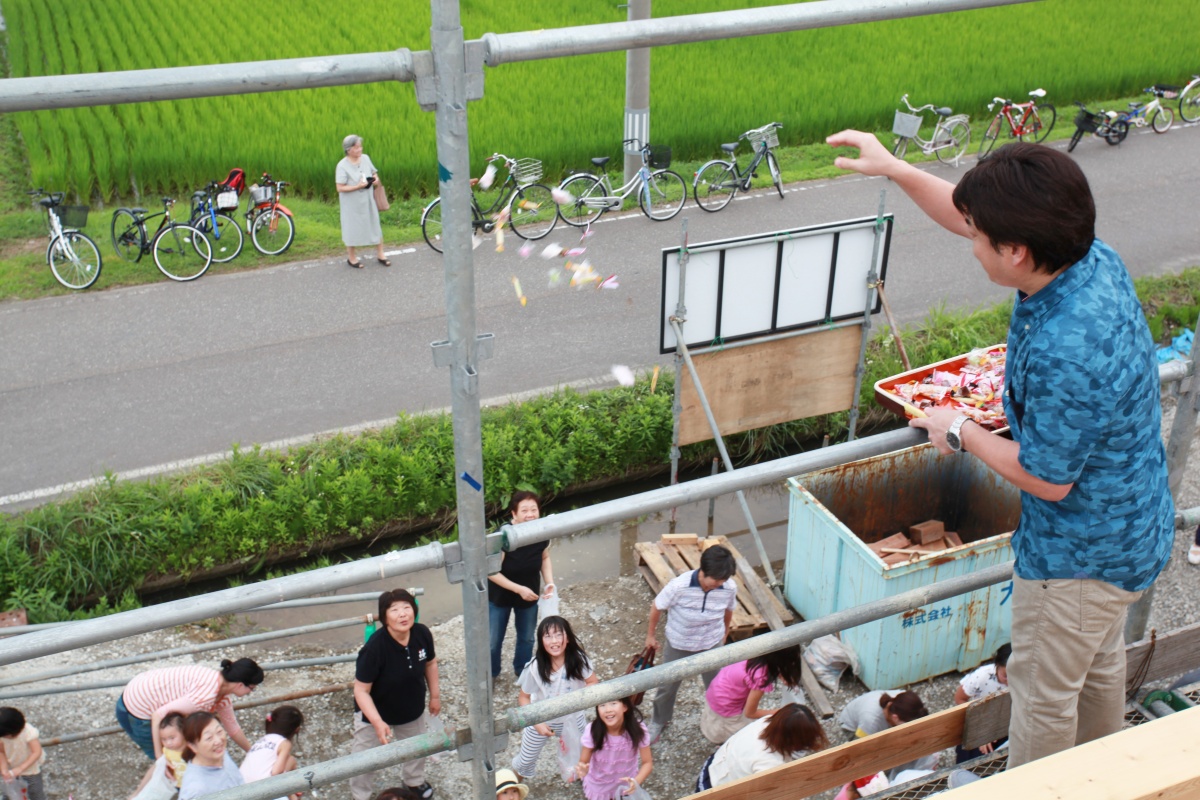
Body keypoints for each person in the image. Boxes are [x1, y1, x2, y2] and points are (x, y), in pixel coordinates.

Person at [827, 131, 1173, 769]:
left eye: (981, 239)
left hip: (1078, 561)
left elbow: (1048, 479)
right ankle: (1111, 779)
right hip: (1132, 530)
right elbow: (969, 214)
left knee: (1041, 710)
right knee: (1097, 677)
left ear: (1015, 252)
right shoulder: (1089, 256)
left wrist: (962, 430)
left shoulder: (1068, 345)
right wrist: (897, 167)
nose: (972, 244)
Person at [350, 589, 439, 800]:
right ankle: (360, 795)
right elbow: (361, 691)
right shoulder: (374, 648)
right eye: (395, 609)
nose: (403, 614)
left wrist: (435, 696)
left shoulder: (422, 633)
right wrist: (378, 721)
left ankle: (414, 782)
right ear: (384, 616)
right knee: (364, 758)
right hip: (374, 713)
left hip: (411, 706)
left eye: (407, 607)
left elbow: (430, 662)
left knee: (416, 748)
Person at [645, 544, 737, 744]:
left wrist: (725, 633)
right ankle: (659, 721)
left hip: (711, 642)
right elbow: (657, 606)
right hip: (679, 643)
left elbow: (729, 610)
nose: (720, 583)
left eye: (724, 579)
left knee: (718, 685)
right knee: (667, 687)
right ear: (704, 571)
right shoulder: (679, 586)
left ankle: (717, 722)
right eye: (717, 579)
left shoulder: (728, 587)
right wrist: (650, 636)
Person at [117, 658, 263, 761]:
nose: (250, 692)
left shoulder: (218, 688)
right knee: (171, 762)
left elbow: (233, 728)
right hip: (139, 711)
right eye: (251, 689)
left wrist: (252, 752)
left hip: (133, 693)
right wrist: (159, 755)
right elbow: (158, 715)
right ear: (239, 685)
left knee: (178, 755)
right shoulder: (205, 696)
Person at [512, 615, 598, 781]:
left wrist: (576, 700)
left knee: (582, 756)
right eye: (548, 636)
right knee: (526, 760)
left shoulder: (579, 660)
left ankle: (587, 784)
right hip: (542, 718)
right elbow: (524, 698)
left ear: (568, 638)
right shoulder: (536, 666)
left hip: (574, 718)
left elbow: (593, 682)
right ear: (541, 641)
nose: (554, 641)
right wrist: (536, 723)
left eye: (559, 634)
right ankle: (512, 788)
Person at [490, 492, 555, 682]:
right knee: (493, 642)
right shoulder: (503, 537)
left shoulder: (541, 533)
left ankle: (523, 671)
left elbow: (545, 557)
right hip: (499, 597)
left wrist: (549, 582)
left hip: (530, 594)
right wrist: (518, 589)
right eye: (524, 511)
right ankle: (491, 674)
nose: (530, 515)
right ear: (514, 514)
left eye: (534, 510)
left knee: (527, 638)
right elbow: (490, 572)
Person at [695, 703, 826, 791]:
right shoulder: (770, 764)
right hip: (715, 790)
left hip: (715, 765)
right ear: (794, 741)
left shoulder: (768, 721)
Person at [701, 645, 804, 744]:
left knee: (714, 718)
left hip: (717, 689)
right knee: (737, 731)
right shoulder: (760, 678)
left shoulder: (757, 655)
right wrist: (780, 712)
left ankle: (709, 730)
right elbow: (750, 713)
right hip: (725, 705)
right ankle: (721, 741)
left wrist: (783, 675)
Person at [576, 697, 652, 800]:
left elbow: (647, 763)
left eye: (613, 703)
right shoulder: (592, 731)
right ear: (597, 710)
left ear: (625, 706)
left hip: (626, 782)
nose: (608, 709)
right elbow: (583, 761)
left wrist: (636, 782)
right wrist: (583, 769)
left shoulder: (638, 729)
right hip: (599, 786)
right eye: (602, 705)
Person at [335, 134, 389, 268]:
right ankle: (352, 257)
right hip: (351, 204)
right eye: (356, 147)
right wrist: (357, 186)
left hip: (368, 200)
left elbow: (373, 172)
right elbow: (339, 187)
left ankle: (381, 254)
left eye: (360, 146)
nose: (360, 149)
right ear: (349, 149)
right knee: (351, 228)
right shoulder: (342, 166)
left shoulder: (365, 158)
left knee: (375, 225)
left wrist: (376, 179)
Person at [953, 644, 1010, 762]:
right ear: (997, 666)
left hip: (1006, 721)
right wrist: (981, 730)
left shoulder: (1025, 677)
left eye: (1014, 676)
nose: (1010, 681)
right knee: (971, 756)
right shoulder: (981, 677)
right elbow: (960, 698)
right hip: (980, 720)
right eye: (1005, 676)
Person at [239, 706, 303, 799]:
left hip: (240, 790)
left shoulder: (260, 742)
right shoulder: (284, 743)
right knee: (291, 762)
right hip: (263, 791)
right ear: (296, 730)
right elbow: (276, 773)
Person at [178, 712, 244, 800]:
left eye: (219, 732)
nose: (218, 741)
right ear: (192, 746)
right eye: (209, 738)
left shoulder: (220, 753)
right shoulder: (196, 790)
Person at [128, 713, 188, 800]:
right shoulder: (167, 751)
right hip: (178, 784)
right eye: (164, 739)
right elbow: (157, 767)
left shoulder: (191, 749)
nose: (168, 743)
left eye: (172, 738)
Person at [838, 690, 927, 740]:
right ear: (895, 718)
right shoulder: (871, 721)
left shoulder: (904, 700)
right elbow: (859, 749)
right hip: (852, 727)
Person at [0, 708, 45, 800]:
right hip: (11, 767)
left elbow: (36, 752)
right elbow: (1, 751)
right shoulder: (2, 734)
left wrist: (20, 769)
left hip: (31, 769)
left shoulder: (28, 732)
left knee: (35, 791)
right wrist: (4, 769)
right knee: (9, 791)